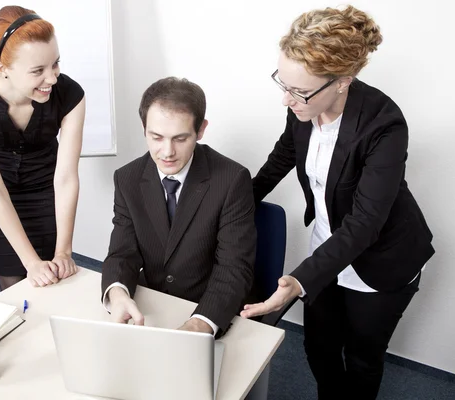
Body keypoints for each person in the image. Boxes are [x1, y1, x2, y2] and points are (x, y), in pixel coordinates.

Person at [240, 6, 434, 399]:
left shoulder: (384, 124)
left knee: (362, 358)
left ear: (343, 80)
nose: (286, 100)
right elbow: (282, 158)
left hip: (382, 258)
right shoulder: (303, 105)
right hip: (328, 248)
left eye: (298, 91)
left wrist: (296, 282)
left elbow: (365, 223)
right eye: (283, 84)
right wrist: (232, 205)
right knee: (318, 345)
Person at [101, 77, 256, 336]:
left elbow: (234, 267)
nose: (167, 151)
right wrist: (118, 295)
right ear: (144, 129)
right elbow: (122, 253)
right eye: (156, 137)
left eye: (180, 139)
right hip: (153, 305)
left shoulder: (232, 180)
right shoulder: (127, 178)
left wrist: (200, 323)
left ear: (201, 130)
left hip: (208, 305)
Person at [0, 6, 85, 290]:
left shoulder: (71, 96)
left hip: (46, 191)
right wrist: (30, 262)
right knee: (12, 281)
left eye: (56, 64)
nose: (53, 78)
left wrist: (64, 251)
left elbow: (66, 178)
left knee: (52, 278)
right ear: (2, 69)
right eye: (38, 70)